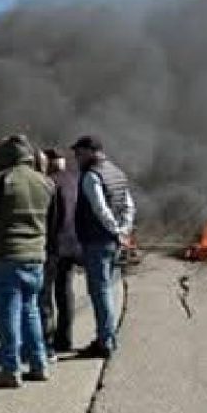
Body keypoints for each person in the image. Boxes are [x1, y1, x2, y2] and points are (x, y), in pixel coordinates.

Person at [0, 136, 56, 388]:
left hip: (5, 255)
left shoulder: (0, 181)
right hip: (35, 256)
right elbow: (52, 222)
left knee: (8, 313)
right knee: (30, 310)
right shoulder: (46, 182)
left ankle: (10, 369)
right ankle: (39, 363)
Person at [72, 135, 135, 359]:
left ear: (91, 152)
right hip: (113, 241)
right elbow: (128, 206)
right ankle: (106, 337)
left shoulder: (92, 176)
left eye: (79, 153)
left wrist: (117, 231)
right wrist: (124, 231)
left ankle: (104, 341)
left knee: (100, 292)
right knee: (106, 290)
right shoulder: (116, 172)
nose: (77, 158)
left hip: (98, 241)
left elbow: (100, 209)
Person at [42, 148, 81, 353]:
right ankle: (65, 339)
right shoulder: (75, 181)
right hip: (73, 246)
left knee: (45, 294)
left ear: (49, 162)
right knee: (65, 293)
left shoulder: (49, 183)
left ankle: (46, 340)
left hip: (53, 247)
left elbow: (49, 218)